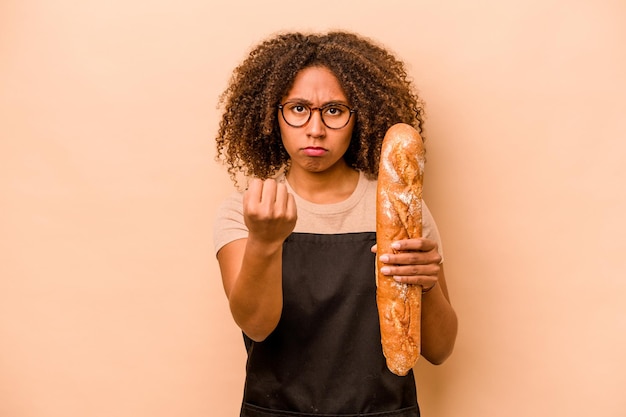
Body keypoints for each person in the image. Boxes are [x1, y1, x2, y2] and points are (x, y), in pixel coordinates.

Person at [213, 30, 458, 417]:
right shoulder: (247, 211)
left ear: (360, 117)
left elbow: (440, 350)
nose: (315, 129)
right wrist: (263, 241)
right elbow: (256, 326)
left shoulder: (403, 210)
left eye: (334, 110)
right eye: (297, 108)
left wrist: (426, 285)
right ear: (270, 115)